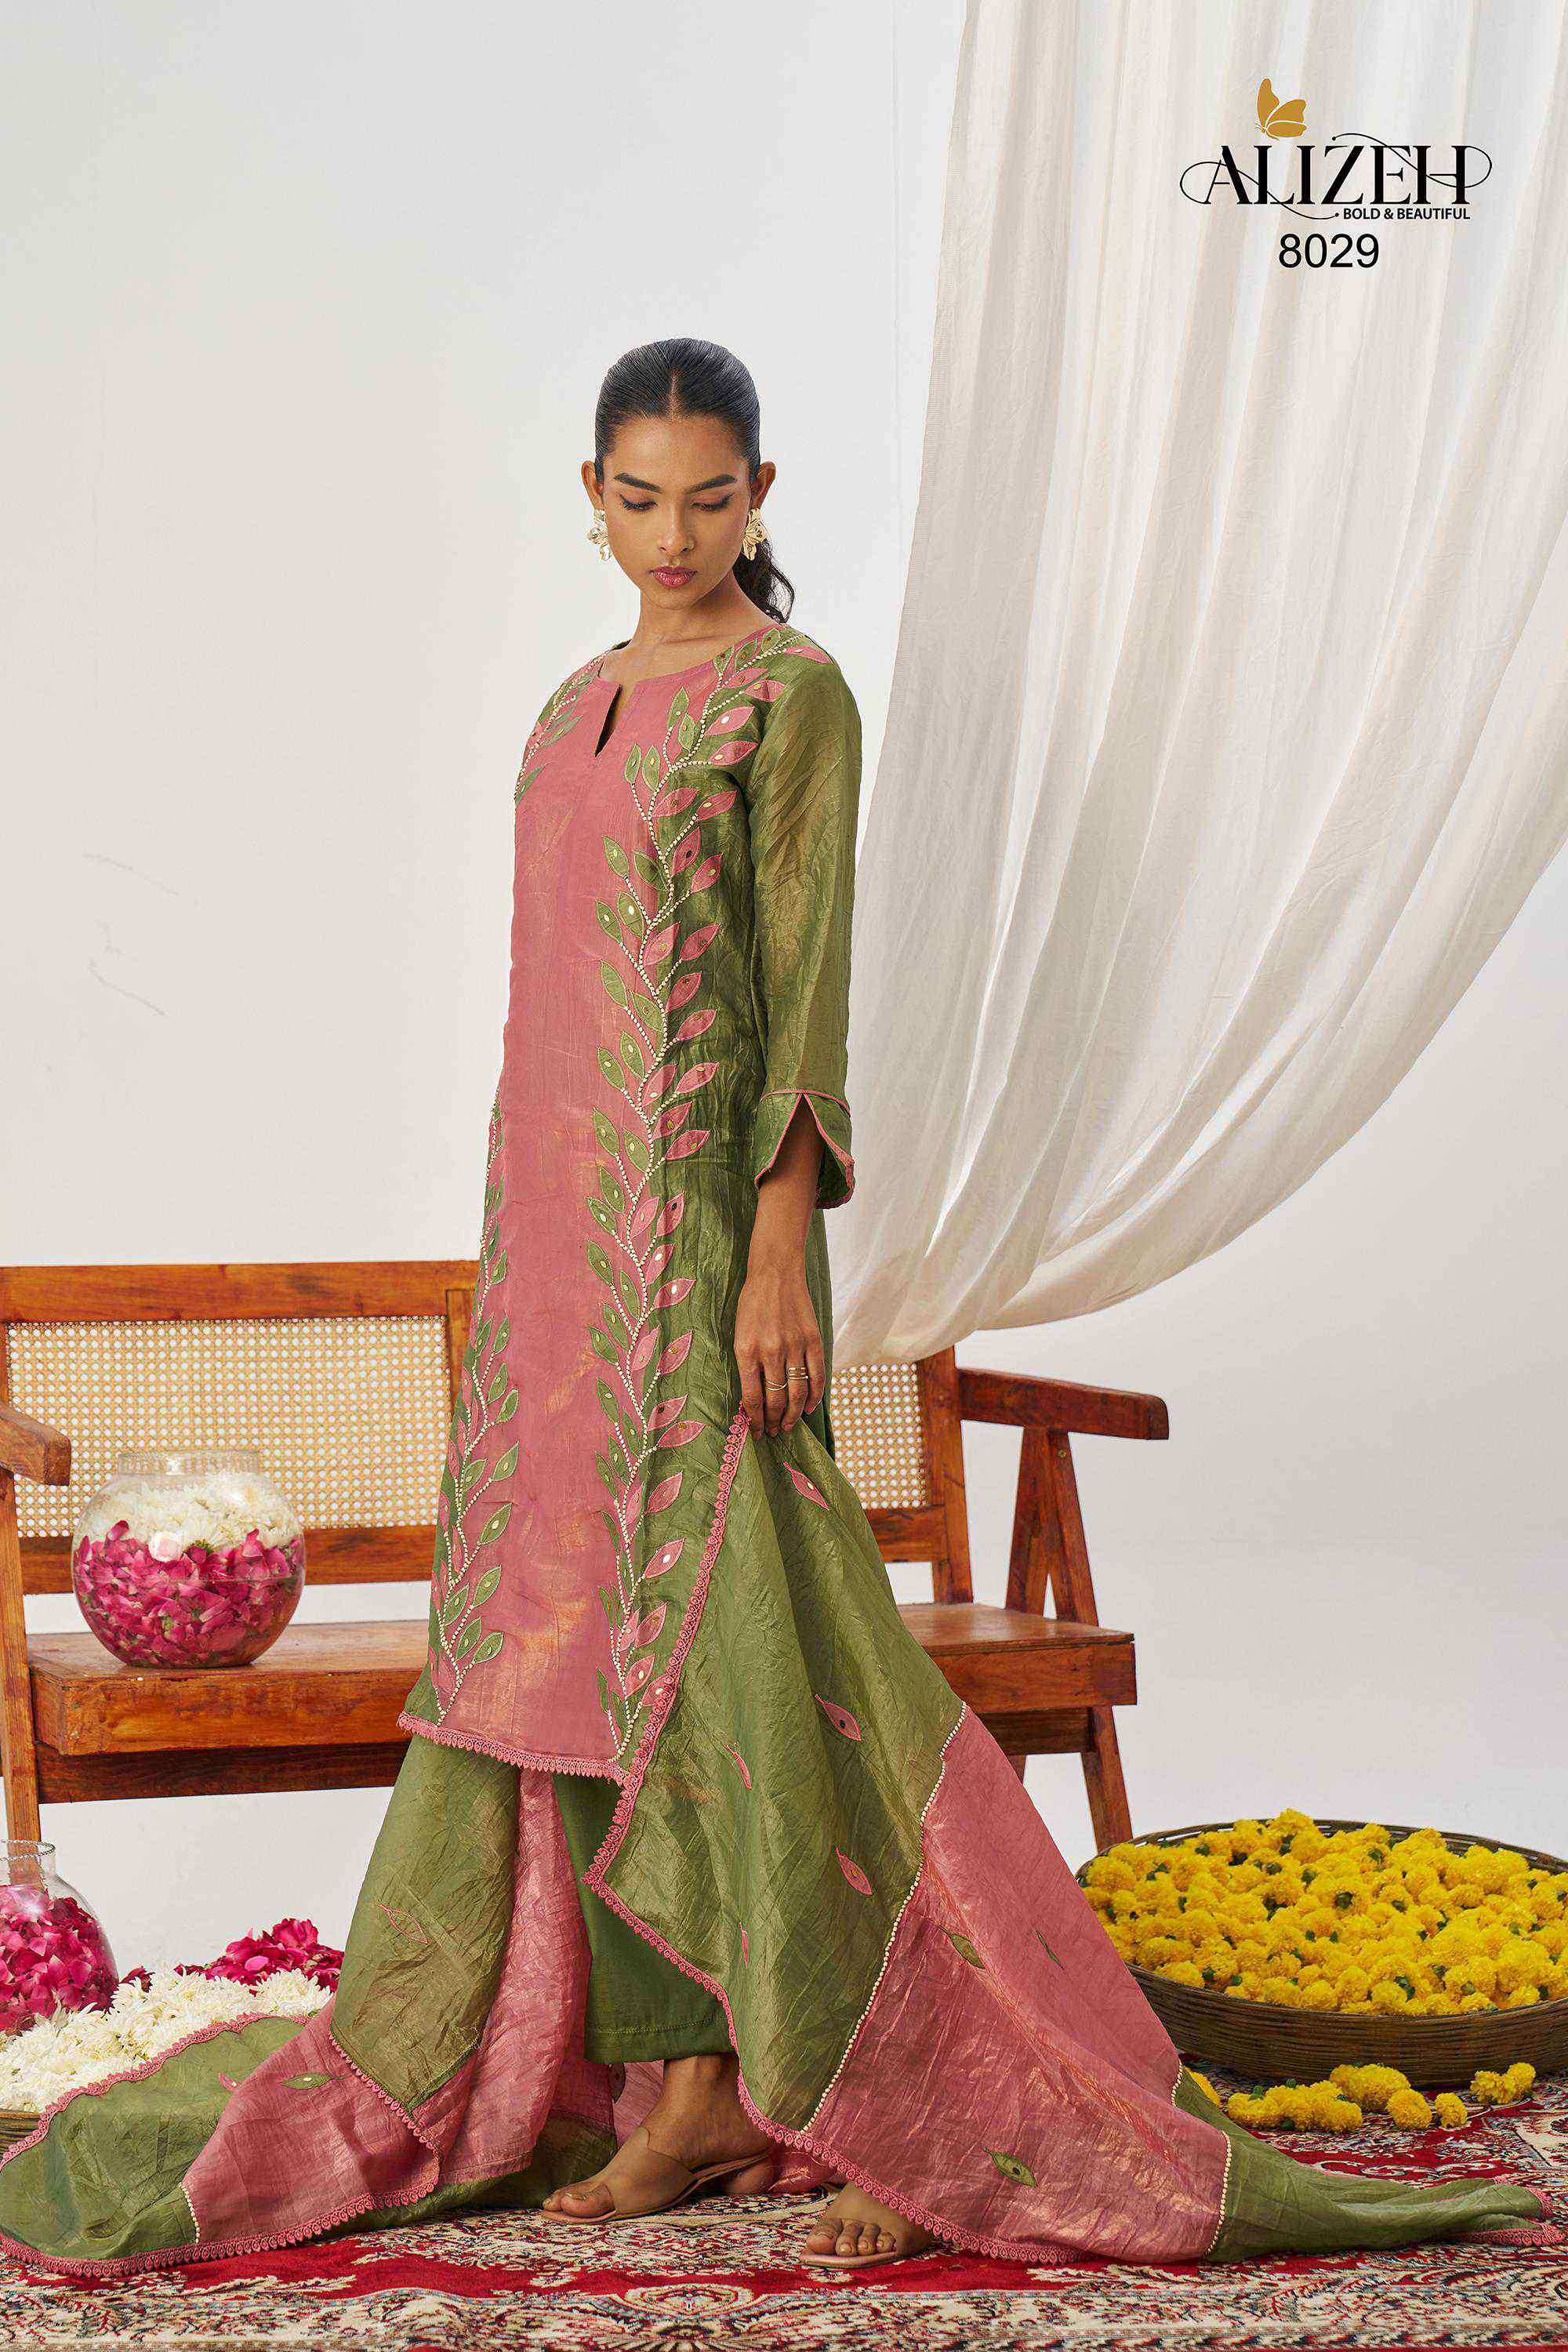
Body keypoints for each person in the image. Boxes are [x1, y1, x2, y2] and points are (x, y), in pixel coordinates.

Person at [0, 339, 1554, 2279]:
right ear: (589, 496)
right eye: (640, 499)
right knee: (580, 1673)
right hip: (553, 1258)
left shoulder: (786, 696)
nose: (675, 535)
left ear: (761, 495)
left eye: (712, 498)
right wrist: (519, 1262)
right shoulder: (568, 707)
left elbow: (799, 993)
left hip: (692, 1244)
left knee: (741, 1653)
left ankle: (817, 2071)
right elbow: (549, 1007)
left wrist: (765, 1254)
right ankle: (679, 2076)